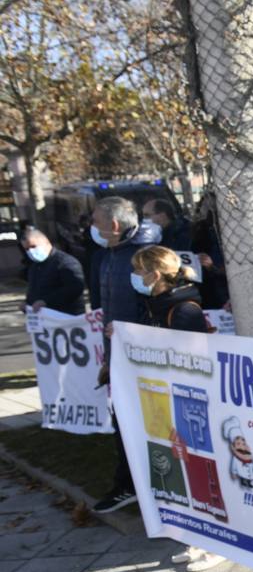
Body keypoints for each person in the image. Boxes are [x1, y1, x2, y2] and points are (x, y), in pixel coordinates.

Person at [126, 244, 226, 572]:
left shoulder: (183, 310)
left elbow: (195, 361)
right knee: (180, 473)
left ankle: (218, 543)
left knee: (202, 472)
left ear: (155, 275)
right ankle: (196, 537)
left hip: (191, 405)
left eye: (138, 271)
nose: (135, 277)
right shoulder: (154, 306)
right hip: (166, 403)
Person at [91, 197, 150, 515]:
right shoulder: (106, 257)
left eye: (95, 221)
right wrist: (107, 357)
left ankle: (141, 485)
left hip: (143, 360)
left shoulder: (142, 255)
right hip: (118, 359)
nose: (92, 227)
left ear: (113, 226)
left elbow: (156, 304)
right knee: (122, 422)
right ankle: (128, 486)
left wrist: (132, 333)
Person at [22, 226, 85, 316]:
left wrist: (46, 302)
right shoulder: (34, 266)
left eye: (33, 246)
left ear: (46, 242)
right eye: (27, 249)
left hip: (67, 317)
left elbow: (74, 288)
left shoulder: (65, 262)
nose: (31, 251)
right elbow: (33, 291)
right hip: (44, 320)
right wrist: (27, 303)